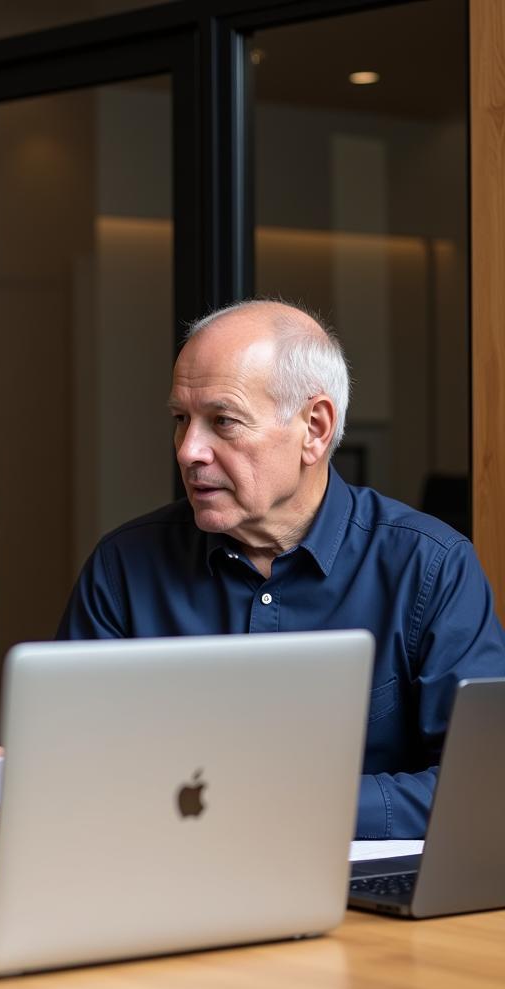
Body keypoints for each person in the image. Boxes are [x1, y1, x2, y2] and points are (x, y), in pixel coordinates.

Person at [57, 299, 505, 840]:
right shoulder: (124, 567)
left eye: (223, 421)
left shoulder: (429, 567)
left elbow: (481, 787)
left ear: (314, 429)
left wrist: (286, 805)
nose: (189, 450)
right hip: (171, 882)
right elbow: (69, 768)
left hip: (365, 902)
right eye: (181, 420)